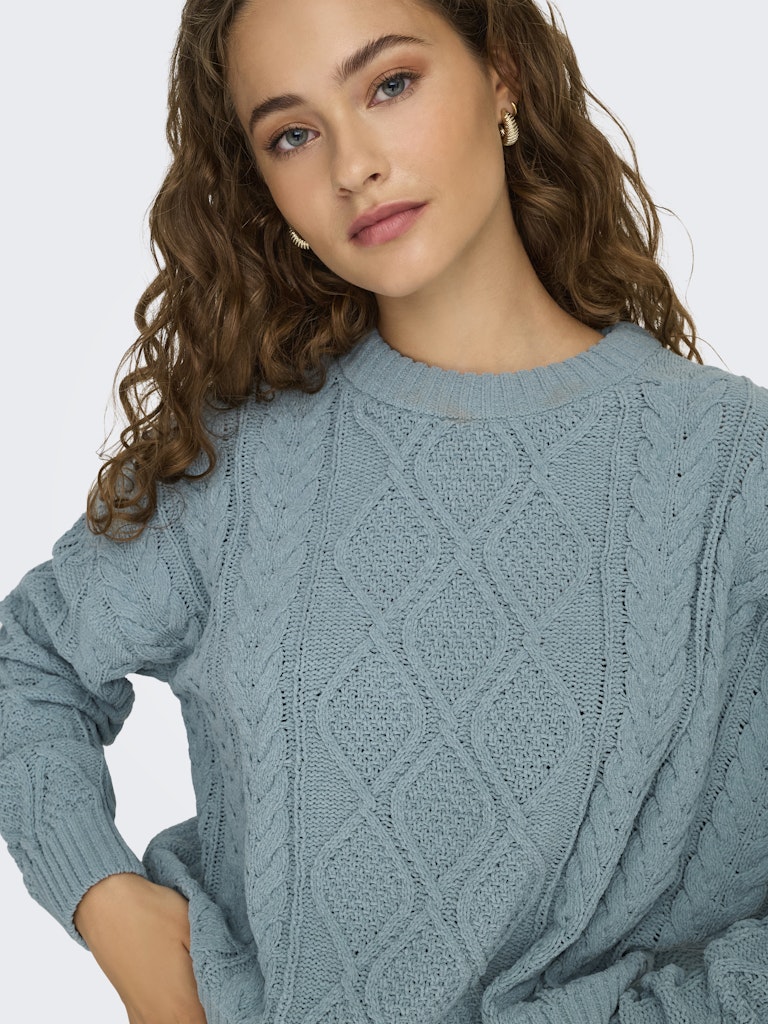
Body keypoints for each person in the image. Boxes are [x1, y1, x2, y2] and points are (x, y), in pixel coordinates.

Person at [1, 0, 766, 1021]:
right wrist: (108, 902)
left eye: (390, 84)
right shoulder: (242, 464)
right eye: (292, 134)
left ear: (503, 74)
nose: (352, 165)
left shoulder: (733, 471)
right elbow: (26, 667)